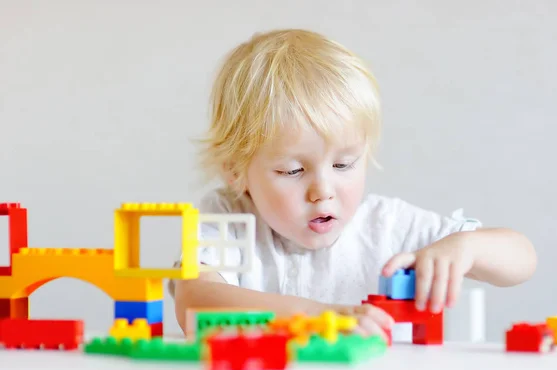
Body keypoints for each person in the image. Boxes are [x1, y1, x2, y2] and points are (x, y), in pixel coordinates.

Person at [170, 29, 537, 339]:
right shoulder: (229, 218)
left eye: (344, 164)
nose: (323, 191)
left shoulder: (387, 226)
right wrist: (316, 318)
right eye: (293, 171)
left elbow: (522, 260)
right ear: (236, 171)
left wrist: (467, 247)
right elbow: (195, 302)